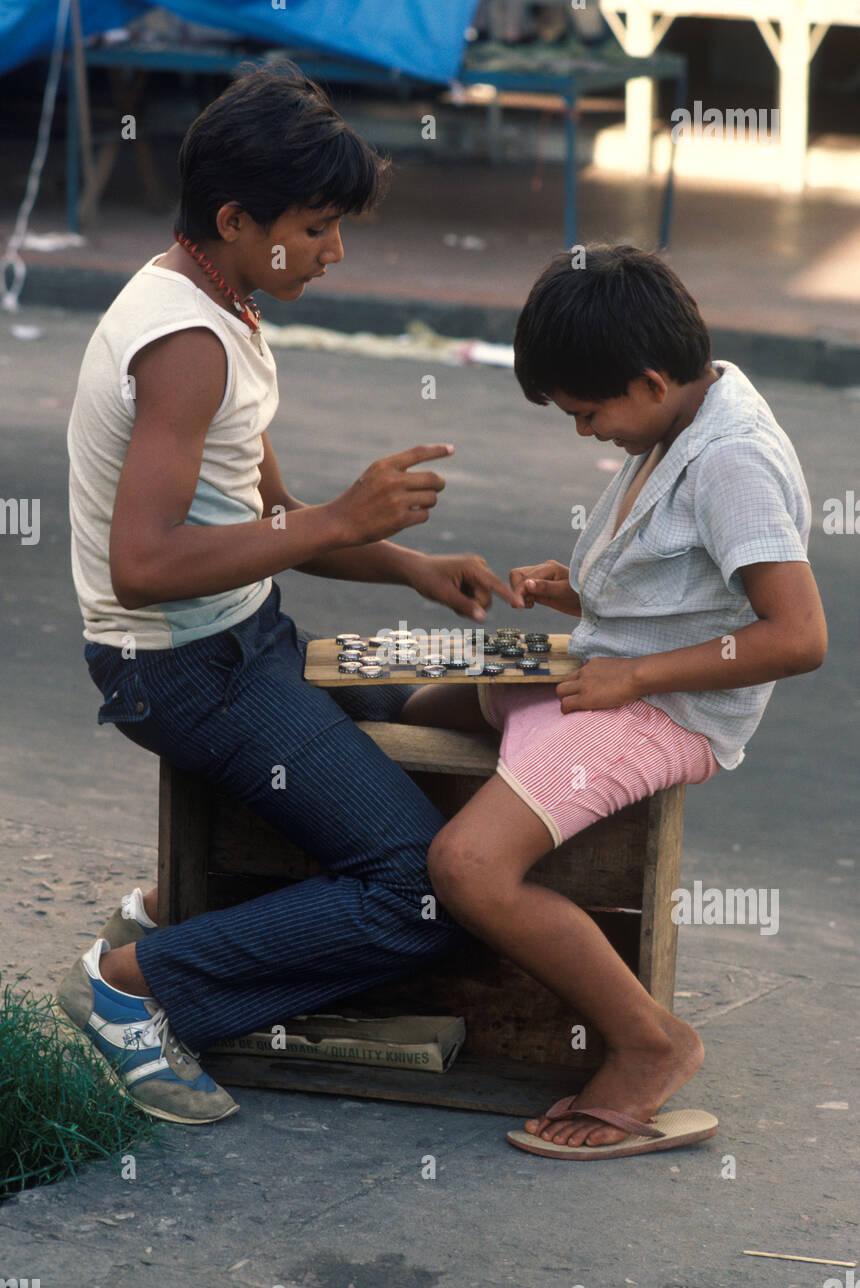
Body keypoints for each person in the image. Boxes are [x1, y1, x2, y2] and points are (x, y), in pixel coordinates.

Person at [58, 64, 519, 1124]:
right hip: (176, 670)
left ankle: (187, 919)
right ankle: (133, 986)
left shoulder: (221, 304)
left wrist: (402, 563)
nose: (334, 249)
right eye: (315, 227)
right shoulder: (183, 346)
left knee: (436, 724)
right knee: (422, 882)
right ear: (234, 219)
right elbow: (145, 563)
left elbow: (266, 522)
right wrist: (339, 520)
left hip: (244, 637)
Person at [401, 244, 828, 1159]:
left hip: (662, 712)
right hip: (614, 670)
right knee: (416, 711)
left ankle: (648, 1042)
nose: (586, 431)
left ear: (648, 379)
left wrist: (632, 675)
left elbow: (798, 638)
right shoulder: (684, 410)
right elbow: (689, 578)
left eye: (588, 413)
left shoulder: (732, 462)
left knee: (467, 866)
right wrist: (589, 595)